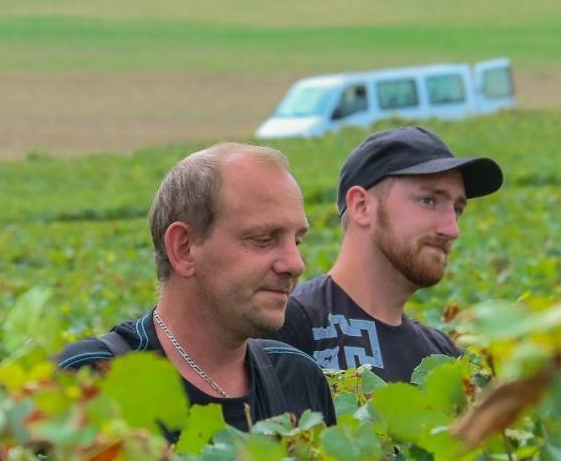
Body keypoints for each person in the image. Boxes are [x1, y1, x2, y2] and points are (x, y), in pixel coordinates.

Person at [57, 143, 335, 431]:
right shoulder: (85, 379)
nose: (295, 263)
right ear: (184, 249)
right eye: (263, 239)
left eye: (297, 241)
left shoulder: (297, 377)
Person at [274, 126, 503, 383]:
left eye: (457, 209)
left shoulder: (443, 358)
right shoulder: (289, 327)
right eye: (428, 201)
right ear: (362, 206)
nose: (452, 229)